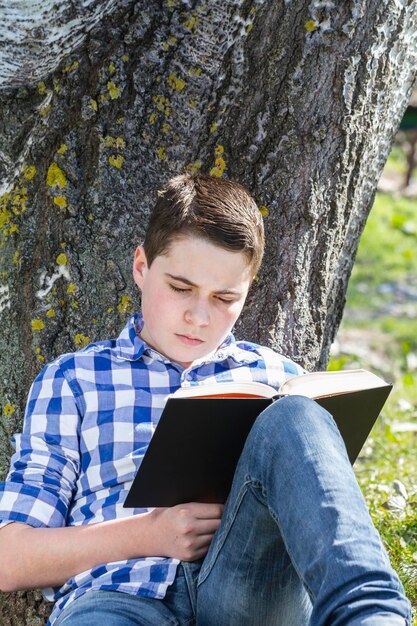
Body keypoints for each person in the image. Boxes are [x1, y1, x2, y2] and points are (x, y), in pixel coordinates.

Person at [0, 174, 412, 626]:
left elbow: (322, 525)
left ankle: (374, 616)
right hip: (116, 597)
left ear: (247, 292)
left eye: (224, 298)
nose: (198, 317)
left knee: (296, 413)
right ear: (141, 267)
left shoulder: (278, 377)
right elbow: (9, 559)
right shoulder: (73, 380)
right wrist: (149, 535)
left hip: (248, 587)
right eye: (180, 288)